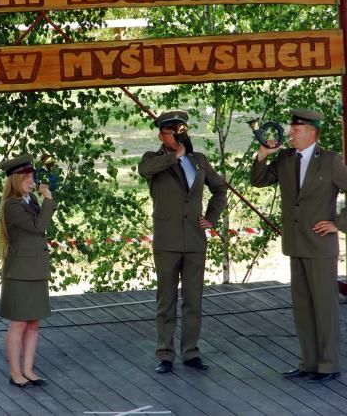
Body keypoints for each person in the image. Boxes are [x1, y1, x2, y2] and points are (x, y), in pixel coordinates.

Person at [250, 108, 346, 382]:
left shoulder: (330, 160)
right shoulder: (285, 158)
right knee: (302, 307)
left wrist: (338, 224)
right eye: (291, 128)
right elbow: (258, 180)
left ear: (312, 132)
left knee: (325, 307)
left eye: (296, 129)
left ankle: (328, 364)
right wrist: (263, 155)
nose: (290, 132)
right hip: (295, 243)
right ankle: (308, 362)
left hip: (320, 245)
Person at [138, 110, 227, 374]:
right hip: (167, 241)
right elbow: (144, 171)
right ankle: (165, 353)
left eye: (181, 132)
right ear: (161, 136)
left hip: (194, 240)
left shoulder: (198, 160)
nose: (177, 138)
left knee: (193, 300)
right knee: (166, 300)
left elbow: (220, 189)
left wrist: (211, 218)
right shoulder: (152, 159)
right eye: (171, 133)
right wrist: (173, 157)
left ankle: (191, 352)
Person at [0, 154, 57, 388]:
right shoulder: (11, 205)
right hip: (21, 272)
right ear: (16, 179)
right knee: (19, 324)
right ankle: (15, 372)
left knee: (33, 323)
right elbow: (38, 226)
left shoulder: (29, 198)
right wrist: (48, 200)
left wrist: (43, 199)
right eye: (28, 177)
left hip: (35, 268)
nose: (32, 181)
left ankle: (28, 369)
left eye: (32, 176)